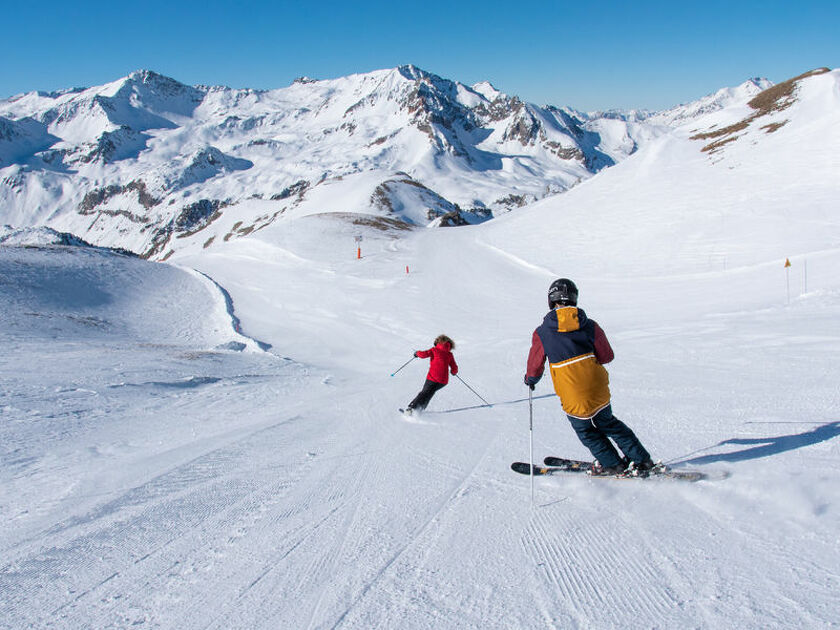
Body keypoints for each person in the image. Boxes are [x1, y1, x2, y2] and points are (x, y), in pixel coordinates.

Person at [524, 279, 655, 475]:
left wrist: (530, 380)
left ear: (551, 301)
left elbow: (535, 365)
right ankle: (642, 460)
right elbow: (607, 356)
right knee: (609, 423)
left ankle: (612, 463)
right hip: (597, 388)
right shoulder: (590, 325)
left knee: (586, 430)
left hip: (572, 392)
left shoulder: (542, 332)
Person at [404, 334, 458, 415]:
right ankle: (420, 409)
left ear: (438, 342)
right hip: (443, 381)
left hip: (432, 378)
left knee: (424, 392)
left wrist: (416, 353)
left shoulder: (434, 350)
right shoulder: (449, 354)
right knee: (430, 393)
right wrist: (454, 372)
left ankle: (411, 409)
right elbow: (454, 366)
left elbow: (423, 354)